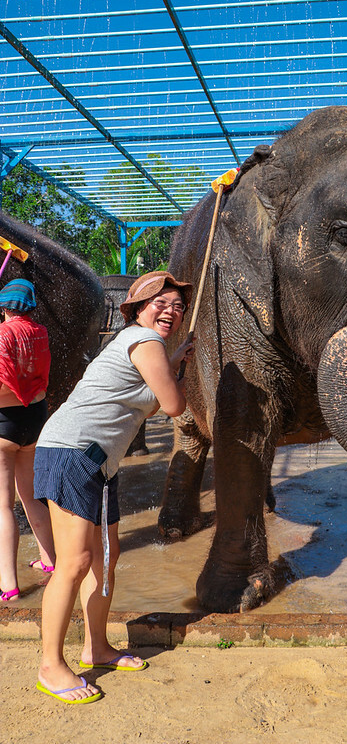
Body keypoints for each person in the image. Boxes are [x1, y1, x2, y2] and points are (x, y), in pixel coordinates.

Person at [33, 271, 195, 704]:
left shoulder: (146, 347)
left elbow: (147, 396)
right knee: (75, 561)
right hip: (72, 452)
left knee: (106, 556)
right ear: (138, 309)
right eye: (161, 302)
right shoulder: (144, 341)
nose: (171, 311)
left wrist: (177, 358)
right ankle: (51, 665)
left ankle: (96, 647)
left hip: (99, 461)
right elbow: (174, 406)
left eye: (178, 306)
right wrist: (176, 367)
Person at [0, 278, 55, 602]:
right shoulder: (40, 333)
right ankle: (50, 561)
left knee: (3, 506)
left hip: (3, 424)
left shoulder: (3, 335)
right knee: (31, 496)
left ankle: (8, 584)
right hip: (35, 420)